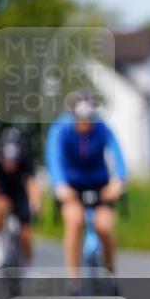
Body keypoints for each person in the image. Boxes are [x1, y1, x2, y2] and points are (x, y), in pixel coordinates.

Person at [45, 90, 127, 278]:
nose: (85, 123)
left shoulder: (102, 128)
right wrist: (59, 184)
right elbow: (54, 157)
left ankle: (111, 273)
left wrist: (118, 181)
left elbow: (117, 153)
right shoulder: (61, 129)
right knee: (74, 222)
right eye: (81, 119)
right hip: (71, 186)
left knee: (105, 227)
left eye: (89, 118)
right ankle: (73, 280)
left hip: (100, 184)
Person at [0, 128, 41, 266]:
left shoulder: (26, 160)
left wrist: (36, 202)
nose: (10, 163)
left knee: (26, 236)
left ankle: (26, 267)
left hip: (20, 195)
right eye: (8, 160)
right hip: (2, 195)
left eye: (14, 159)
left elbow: (32, 183)